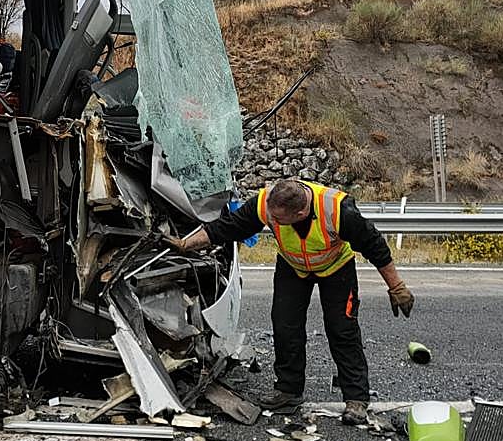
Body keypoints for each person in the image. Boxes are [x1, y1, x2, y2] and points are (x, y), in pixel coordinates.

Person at [167, 179, 414, 425]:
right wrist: (185, 244)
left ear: (301, 212)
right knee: (285, 326)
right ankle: (288, 391)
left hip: (336, 268)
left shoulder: (339, 210)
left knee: (342, 330)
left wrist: (397, 287)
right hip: (292, 267)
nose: (273, 222)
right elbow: (229, 227)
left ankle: (356, 400)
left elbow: (376, 247)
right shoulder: (267, 203)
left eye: (279, 220)